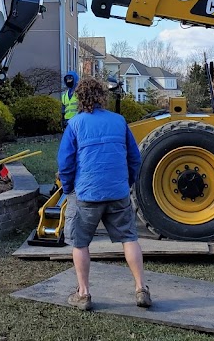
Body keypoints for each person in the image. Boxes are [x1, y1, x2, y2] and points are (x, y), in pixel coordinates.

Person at [57, 77, 150, 312]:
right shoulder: (119, 121)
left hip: (87, 194)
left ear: (80, 97)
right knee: (129, 238)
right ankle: (141, 289)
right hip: (117, 192)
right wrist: (126, 182)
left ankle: (83, 294)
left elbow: (65, 163)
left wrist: (68, 189)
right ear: (102, 96)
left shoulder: (75, 124)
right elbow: (134, 158)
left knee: (80, 243)